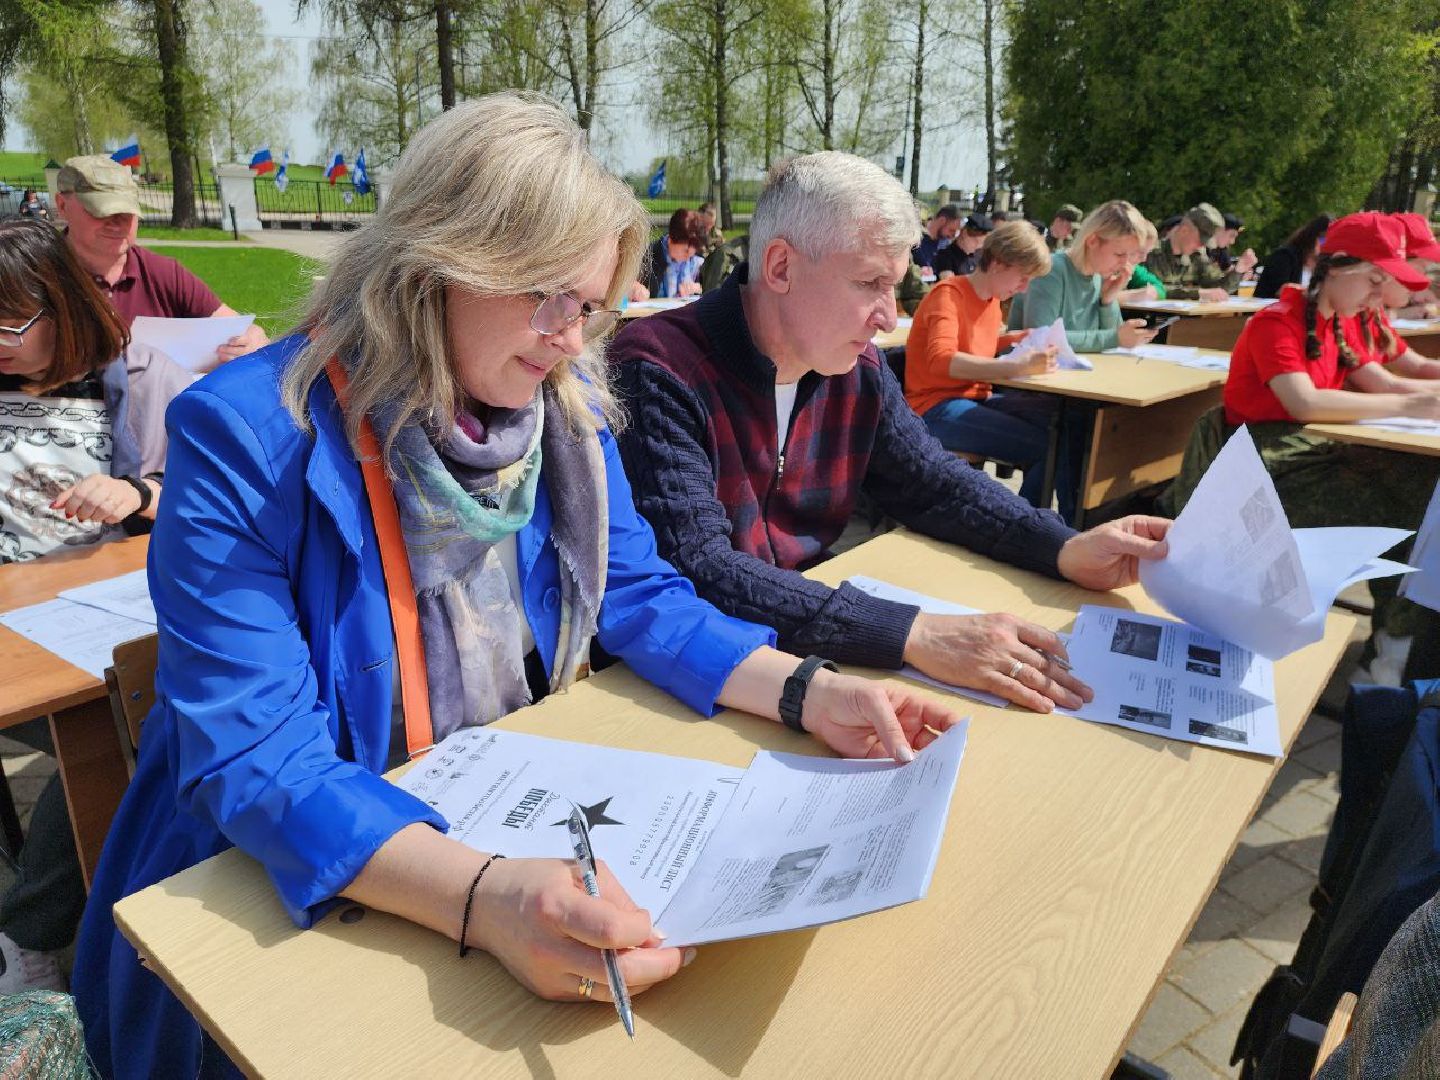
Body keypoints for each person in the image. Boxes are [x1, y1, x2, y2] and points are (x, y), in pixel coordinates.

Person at [72, 94, 963, 1080]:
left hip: (488, 832)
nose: (569, 340)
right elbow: (259, 762)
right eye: (545, 295)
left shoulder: (563, 419)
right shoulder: (248, 435)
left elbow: (644, 599)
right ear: (437, 264)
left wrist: (805, 687)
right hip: (268, 901)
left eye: (587, 306)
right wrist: (485, 899)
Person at [609, 150, 1171, 718]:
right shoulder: (658, 368)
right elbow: (699, 568)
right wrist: (915, 636)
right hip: (696, 688)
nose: (887, 317)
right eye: (870, 283)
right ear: (780, 267)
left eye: (895, 286)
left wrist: (1064, 546)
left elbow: (933, 483)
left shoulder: (856, 369)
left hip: (822, 661)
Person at [0, 217, 193, 995]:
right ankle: (33, 934)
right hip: (17, 644)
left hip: (101, 620)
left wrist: (136, 492)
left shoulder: (133, 379)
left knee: (130, 723)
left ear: (64, 307)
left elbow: (200, 497)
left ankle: (34, 933)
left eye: (15, 320)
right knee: (106, 736)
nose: (1, 340)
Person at [1161, 212, 1440, 638]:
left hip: (1295, 456)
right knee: (1409, 512)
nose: (1377, 297)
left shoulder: (1334, 322)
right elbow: (1303, 401)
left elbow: (1378, 382)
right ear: (1335, 270)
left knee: (1420, 483)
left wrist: (1418, 401)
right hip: (1257, 473)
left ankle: (1396, 642)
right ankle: (1394, 642)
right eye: (1373, 281)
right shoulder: (1278, 321)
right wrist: (1415, 404)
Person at [904, 220, 1058, 511]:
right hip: (934, 407)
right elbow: (942, 361)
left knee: (1061, 425)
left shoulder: (991, 300)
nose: (1024, 289)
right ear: (999, 264)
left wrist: (1016, 339)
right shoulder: (948, 295)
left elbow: (978, 342)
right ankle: (1023, 525)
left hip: (971, 398)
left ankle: (1031, 520)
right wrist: (1014, 367)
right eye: (1022, 278)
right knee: (1047, 447)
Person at [54, 156, 268, 362]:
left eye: (126, 212)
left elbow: (236, 328)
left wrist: (251, 338)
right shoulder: (37, 276)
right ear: (62, 206)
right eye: (101, 211)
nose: (117, 223)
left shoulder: (163, 274)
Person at [1007, 199, 1157, 353]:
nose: (1126, 263)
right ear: (1092, 241)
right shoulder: (1050, 271)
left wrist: (1108, 300)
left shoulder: (1097, 275)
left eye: (1130, 255)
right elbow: (1042, 338)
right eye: (1119, 254)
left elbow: (1112, 341)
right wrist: (1114, 338)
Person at [1144, 203, 1255, 301]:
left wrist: (1239, 270)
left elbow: (1218, 289)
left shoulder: (1197, 257)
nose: (1202, 246)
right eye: (1200, 240)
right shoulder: (1148, 253)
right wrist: (1197, 294)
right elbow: (1147, 290)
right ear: (1184, 230)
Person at [1254, 213, 1333, 299]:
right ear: (1311, 236)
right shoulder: (1285, 256)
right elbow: (1280, 291)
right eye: (1323, 240)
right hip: (1271, 309)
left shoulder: (1326, 263)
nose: (1325, 245)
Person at [641, 207, 706, 298]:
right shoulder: (648, 257)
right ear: (671, 239)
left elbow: (711, 288)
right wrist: (635, 288)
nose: (687, 258)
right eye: (685, 251)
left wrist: (697, 288)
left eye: (692, 254)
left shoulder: (698, 259)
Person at [934, 213, 991, 279]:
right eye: (976, 242)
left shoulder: (982, 256)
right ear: (964, 233)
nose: (978, 246)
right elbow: (948, 281)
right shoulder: (945, 255)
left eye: (981, 244)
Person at [912, 203, 960, 269]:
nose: (952, 236)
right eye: (951, 230)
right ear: (942, 220)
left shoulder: (945, 244)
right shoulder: (915, 235)